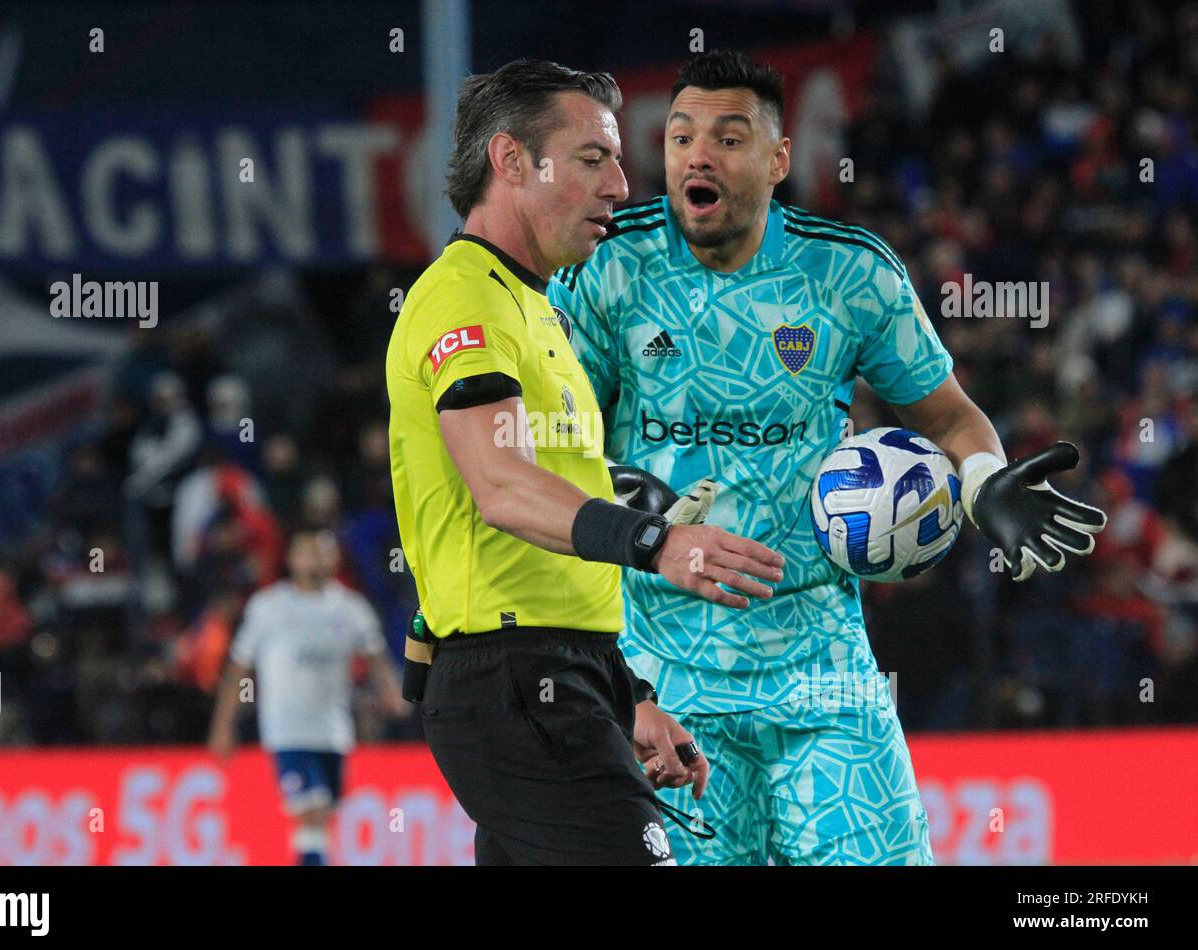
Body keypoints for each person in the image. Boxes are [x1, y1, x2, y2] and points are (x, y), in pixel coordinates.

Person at [548, 50, 1106, 865]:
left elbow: (951, 418)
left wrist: (984, 483)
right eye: (679, 137)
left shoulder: (848, 274)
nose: (697, 156)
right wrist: (604, 487)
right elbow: (556, 445)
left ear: (778, 160)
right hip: (665, 671)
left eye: (728, 138)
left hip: (821, 662)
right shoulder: (608, 266)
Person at [386, 58, 786, 865]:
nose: (620, 184)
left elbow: (551, 513)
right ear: (509, 161)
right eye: (592, 158)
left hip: (564, 672)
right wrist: (656, 541)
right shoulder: (463, 298)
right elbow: (501, 487)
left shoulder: (540, 313)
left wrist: (626, 694)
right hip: (510, 679)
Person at [209, 530, 407, 865]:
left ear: (335, 559)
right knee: (310, 809)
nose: (315, 559)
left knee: (322, 817)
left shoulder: (350, 608)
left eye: (323, 552)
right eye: (307, 552)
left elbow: (376, 656)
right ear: (292, 559)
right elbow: (239, 668)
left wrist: (392, 692)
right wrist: (223, 724)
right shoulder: (268, 607)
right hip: (287, 731)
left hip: (333, 732)